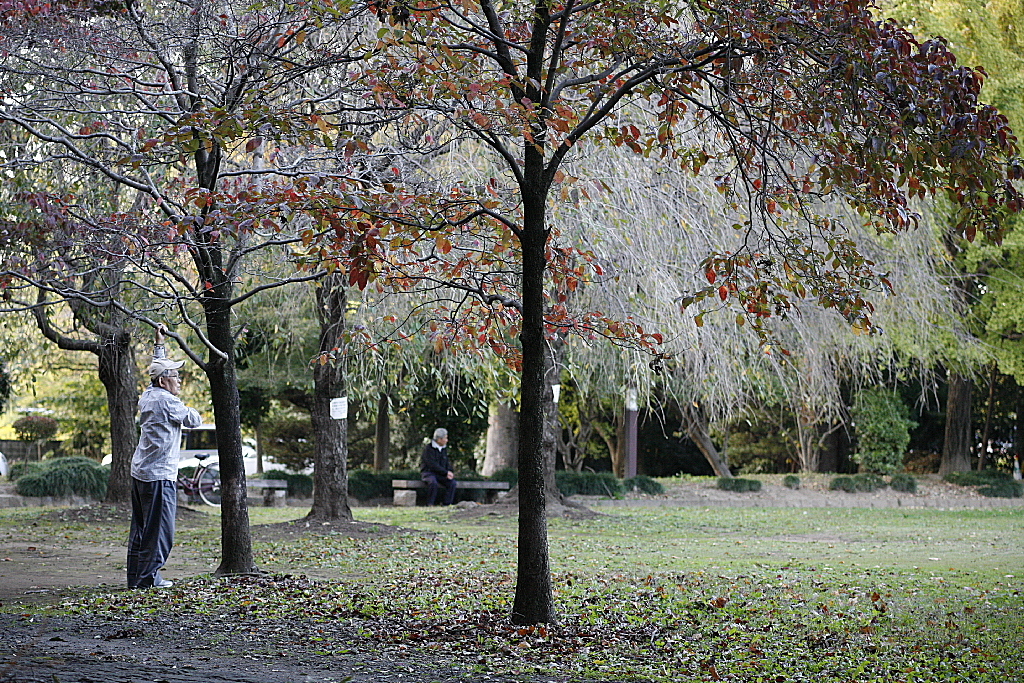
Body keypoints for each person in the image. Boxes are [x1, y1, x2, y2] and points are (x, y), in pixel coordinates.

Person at [127, 325, 202, 589]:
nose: (179, 380)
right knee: (160, 532)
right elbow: (195, 420)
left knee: (140, 530)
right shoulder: (167, 402)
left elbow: (156, 368)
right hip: (159, 476)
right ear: (163, 381)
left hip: (141, 474)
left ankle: (136, 579)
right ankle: (148, 580)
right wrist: (190, 408)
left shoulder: (148, 395)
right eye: (174, 376)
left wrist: (159, 344)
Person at [420, 427, 457, 505]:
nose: (447, 440)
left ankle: (447, 504)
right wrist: (445, 472)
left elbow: (446, 462)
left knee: (452, 483)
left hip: (440, 474)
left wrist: (449, 471)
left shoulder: (444, 449)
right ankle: (430, 504)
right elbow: (432, 465)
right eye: (445, 438)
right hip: (428, 473)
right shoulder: (428, 449)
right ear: (439, 439)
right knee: (433, 483)